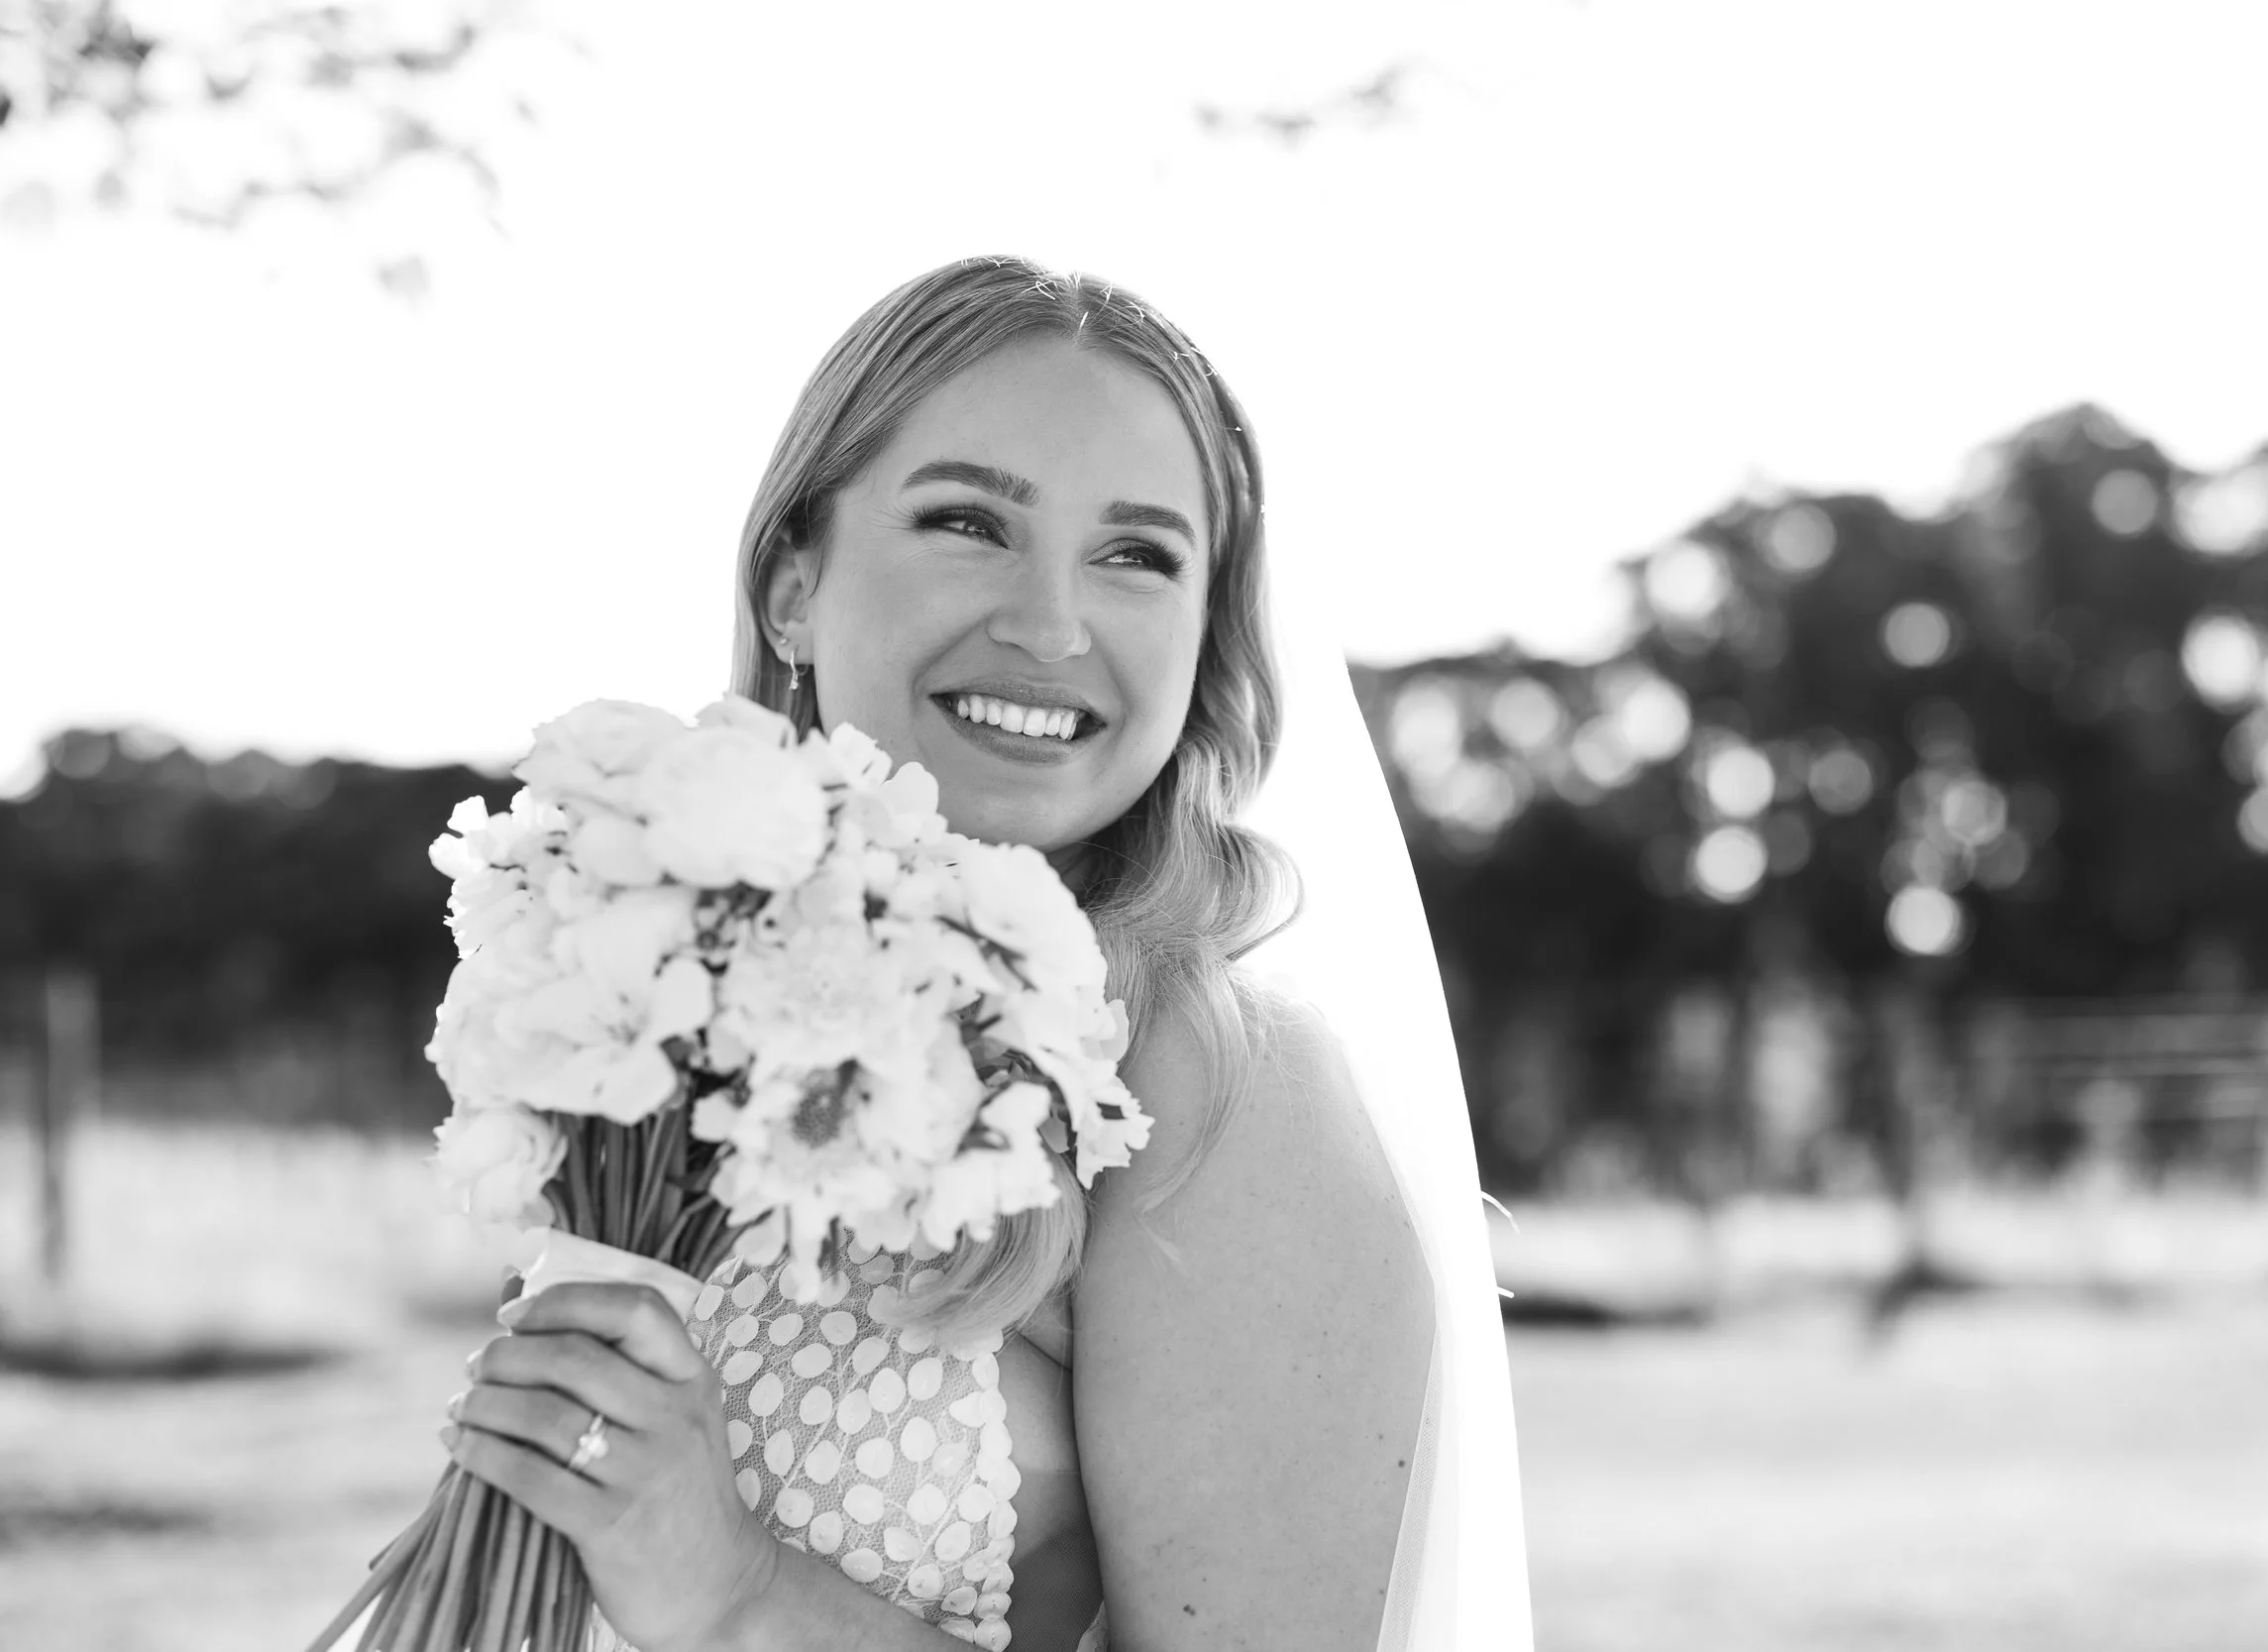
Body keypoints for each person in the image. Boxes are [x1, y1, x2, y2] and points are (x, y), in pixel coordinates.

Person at [438, 255, 1534, 1651]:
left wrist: (738, 1594)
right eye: (969, 521)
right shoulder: (690, 1001)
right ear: (792, 583)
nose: (1052, 623)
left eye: (1137, 554)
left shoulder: (1218, 1096)